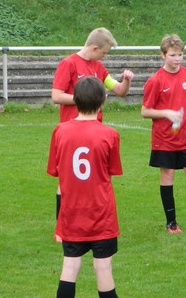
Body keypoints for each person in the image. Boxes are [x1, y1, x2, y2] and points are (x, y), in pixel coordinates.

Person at [45, 77, 126, 298]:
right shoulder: (109, 134)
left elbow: (57, 175)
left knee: (69, 267)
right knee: (103, 269)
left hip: (72, 213)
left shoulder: (60, 132)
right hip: (102, 213)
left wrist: (58, 219)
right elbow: (111, 171)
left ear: (75, 101)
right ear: (103, 101)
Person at [51, 28, 134, 227]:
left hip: (94, 131)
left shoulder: (98, 67)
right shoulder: (69, 64)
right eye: (104, 52)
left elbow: (119, 91)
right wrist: (86, 99)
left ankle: (90, 222)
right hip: (71, 131)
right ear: (94, 47)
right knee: (66, 181)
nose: (104, 56)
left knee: (94, 178)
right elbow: (56, 95)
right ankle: (62, 225)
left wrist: (127, 81)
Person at [141, 34, 186, 233]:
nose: (177, 59)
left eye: (180, 55)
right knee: (167, 177)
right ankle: (171, 223)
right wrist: (166, 113)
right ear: (163, 55)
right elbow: (145, 111)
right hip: (164, 139)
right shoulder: (155, 80)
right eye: (173, 55)